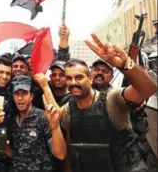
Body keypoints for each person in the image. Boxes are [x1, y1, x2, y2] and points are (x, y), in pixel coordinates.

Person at [41, 33, 157, 172]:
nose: (73, 83)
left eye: (79, 77)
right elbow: (65, 154)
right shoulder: (67, 110)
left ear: (90, 78)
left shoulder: (112, 99)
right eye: (69, 78)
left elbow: (148, 89)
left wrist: (125, 64)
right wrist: (54, 126)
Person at [0, 75, 66, 171]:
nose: (20, 98)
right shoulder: (12, 121)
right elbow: (16, 155)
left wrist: (55, 126)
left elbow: (61, 154)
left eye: (24, 93)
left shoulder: (43, 117)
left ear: (31, 96)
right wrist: (4, 148)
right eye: (17, 94)